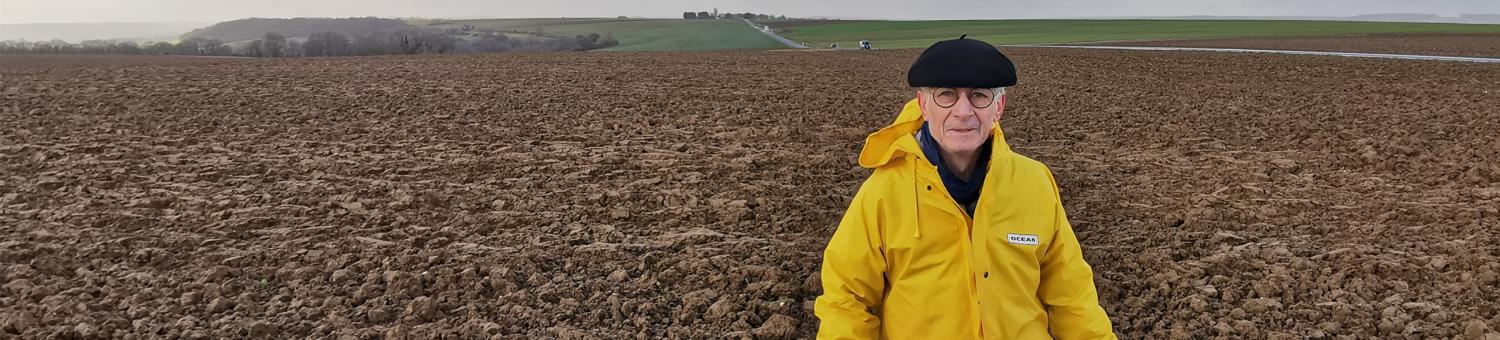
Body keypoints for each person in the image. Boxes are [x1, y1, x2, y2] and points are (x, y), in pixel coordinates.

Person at [814, 35, 1116, 339]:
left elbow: (1073, 297)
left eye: (979, 96)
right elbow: (846, 299)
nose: (962, 111)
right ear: (924, 105)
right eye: (946, 95)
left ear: (998, 107)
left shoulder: (1034, 183)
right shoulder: (884, 192)